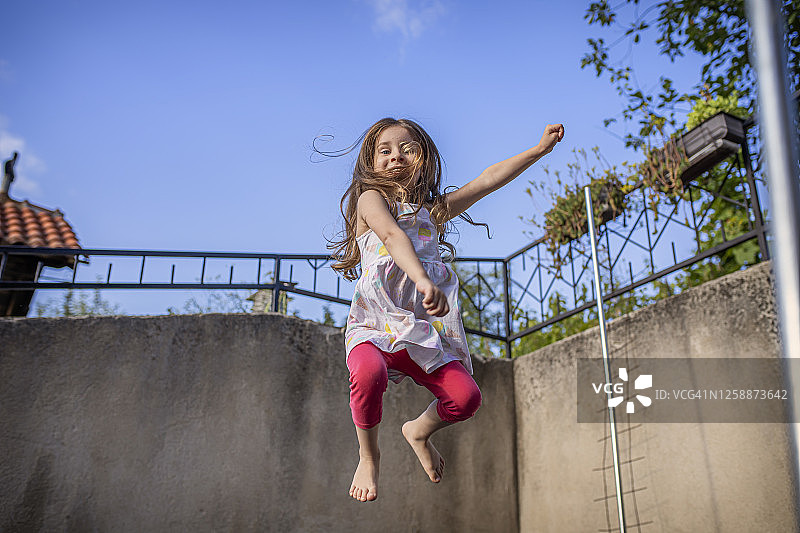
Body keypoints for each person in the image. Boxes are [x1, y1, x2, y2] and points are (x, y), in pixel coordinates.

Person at [326, 118, 564, 502]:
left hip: (421, 331)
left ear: (423, 159)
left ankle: (418, 430)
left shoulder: (432, 211)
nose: (396, 156)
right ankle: (368, 456)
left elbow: (486, 181)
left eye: (407, 148)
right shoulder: (370, 200)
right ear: (371, 161)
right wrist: (422, 279)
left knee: (465, 398)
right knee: (368, 374)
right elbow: (391, 235)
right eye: (384, 150)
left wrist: (538, 151)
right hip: (375, 324)